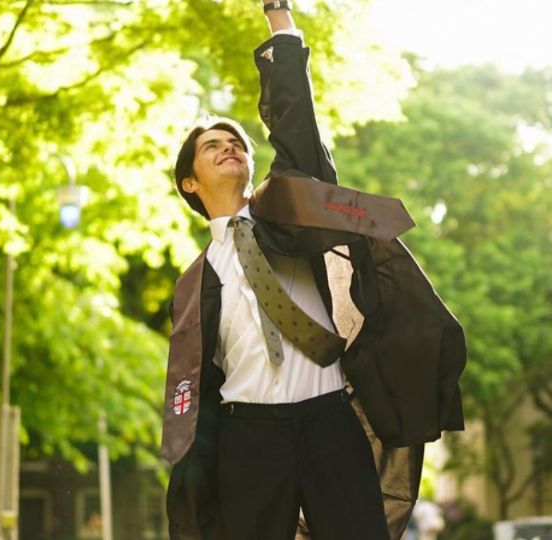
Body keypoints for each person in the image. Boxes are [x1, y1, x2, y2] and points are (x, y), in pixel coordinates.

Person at [159, 1, 467, 539]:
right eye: (213, 145)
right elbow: (196, 382)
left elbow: (298, 132)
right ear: (190, 182)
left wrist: (281, 21)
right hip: (247, 437)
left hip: (328, 420)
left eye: (237, 143)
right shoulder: (193, 283)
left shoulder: (290, 216)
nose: (230, 147)